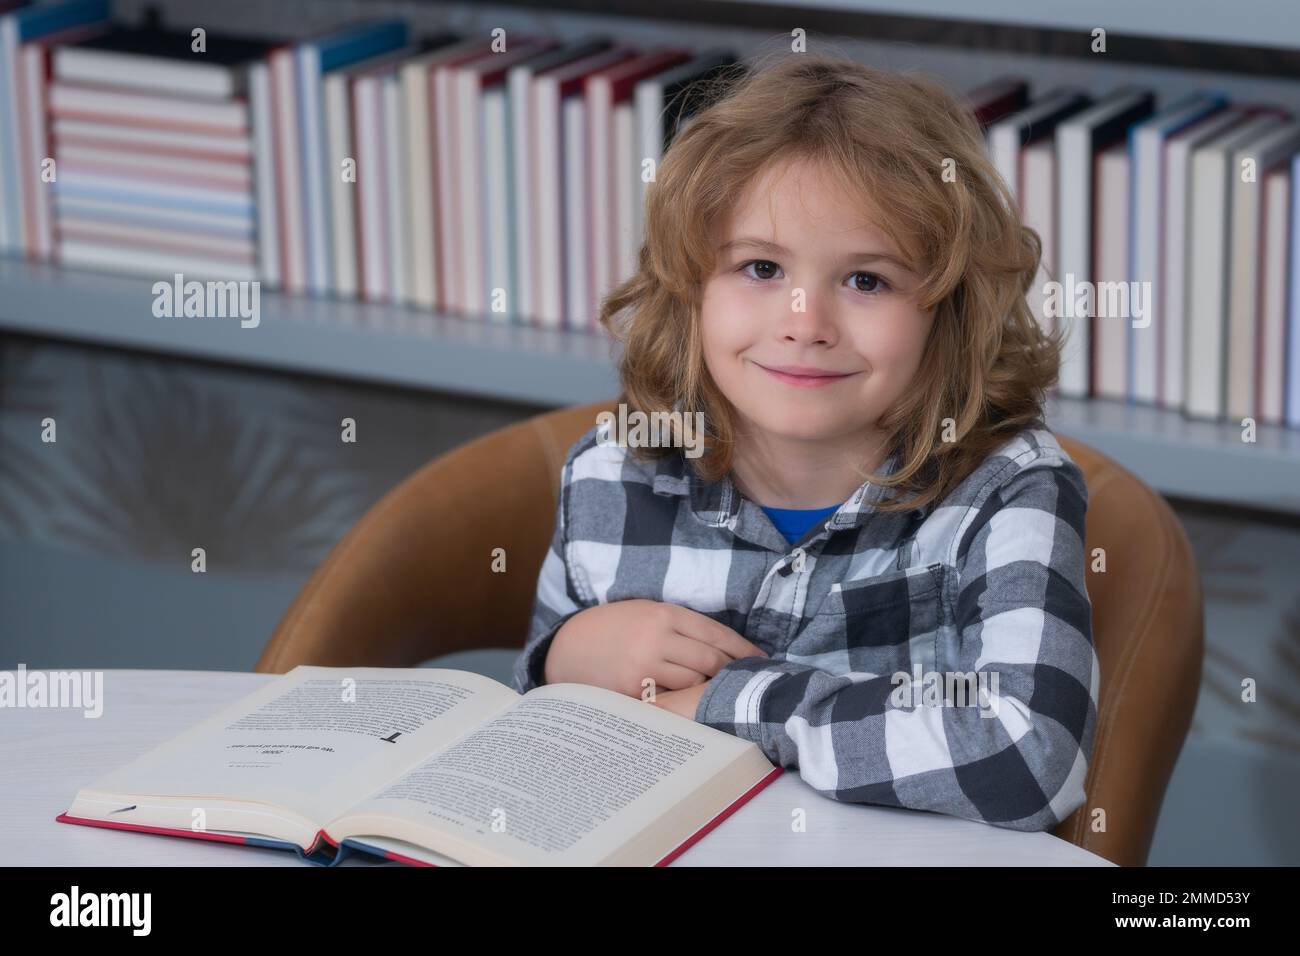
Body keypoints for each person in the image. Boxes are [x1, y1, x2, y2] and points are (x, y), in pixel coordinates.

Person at [511, 53, 1097, 832]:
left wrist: (734, 701)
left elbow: (1029, 758)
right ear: (690, 289)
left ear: (948, 311)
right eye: (760, 267)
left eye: (866, 281)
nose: (804, 324)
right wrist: (562, 660)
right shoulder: (615, 472)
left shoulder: (1007, 490)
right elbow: (533, 757)